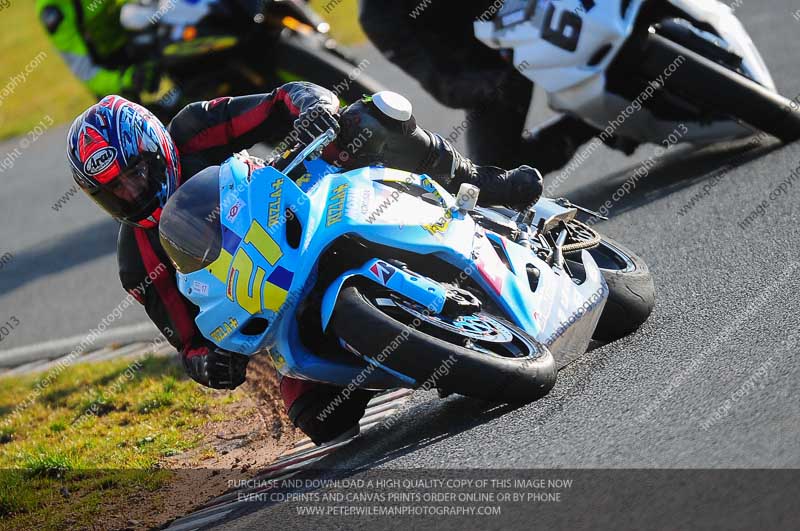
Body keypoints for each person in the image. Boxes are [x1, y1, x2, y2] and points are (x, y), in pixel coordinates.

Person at [66, 81, 543, 444]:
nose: (132, 192)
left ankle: (483, 181)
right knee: (321, 419)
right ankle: (411, 352)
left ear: (156, 145)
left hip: (303, 200)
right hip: (276, 293)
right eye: (115, 190)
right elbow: (188, 342)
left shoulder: (193, 128)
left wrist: (315, 110)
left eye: (135, 172)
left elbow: (282, 100)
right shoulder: (137, 258)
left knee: (366, 120)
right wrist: (211, 365)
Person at [358, 0, 609, 174]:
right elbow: (435, 76)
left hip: (552, 14)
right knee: (496, 170)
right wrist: (481, 87)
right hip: (495, 65)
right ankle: (596, 120)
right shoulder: (379, 16)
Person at [36, 0, 160, 103]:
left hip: (139, 40)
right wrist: (128, 79)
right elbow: (87, 73)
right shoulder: (54, 10)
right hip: (109, 71)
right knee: (122, 116)